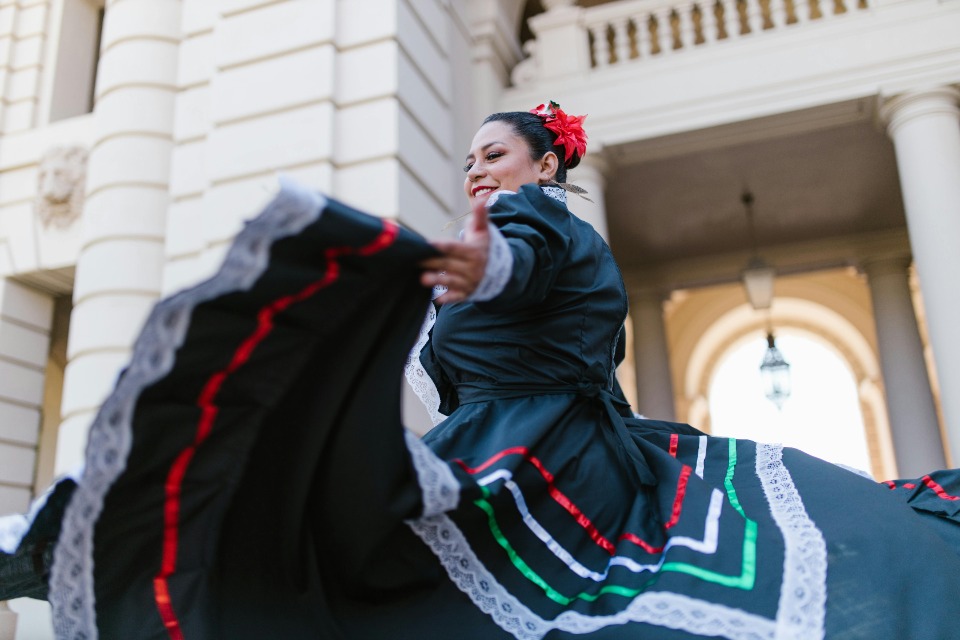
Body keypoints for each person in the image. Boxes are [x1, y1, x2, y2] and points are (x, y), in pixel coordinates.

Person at [3, 102, 960, 640]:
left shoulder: (532, 219)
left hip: (544, 454)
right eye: (468, 158)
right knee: (343, 552)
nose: (473, 169)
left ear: (545, 164)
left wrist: (480, 268)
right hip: (529, 440)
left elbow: (524, 259)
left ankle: (46, 540)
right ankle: (53, 538)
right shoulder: (519, 224)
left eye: (493, 154)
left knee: (356, 562)